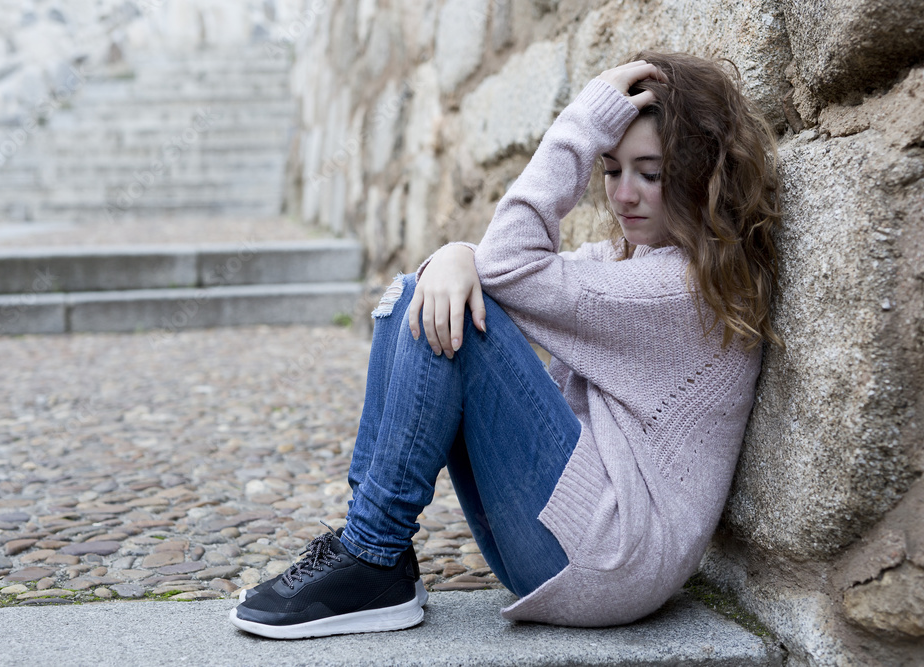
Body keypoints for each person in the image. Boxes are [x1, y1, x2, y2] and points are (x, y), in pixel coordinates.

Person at [229, 51, 782, 639]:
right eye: (612, 169)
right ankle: (372, 550)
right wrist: (455, 255)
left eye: (650, 173)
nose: (623, 195)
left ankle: (372, 557)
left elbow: (507, 267)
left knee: (444, 305)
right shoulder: (641, 264)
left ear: (699, 172)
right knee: (417, 297)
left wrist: (580, 123)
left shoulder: (677, 289)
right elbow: (496, 269)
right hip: (576, 545)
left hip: (604, 555)